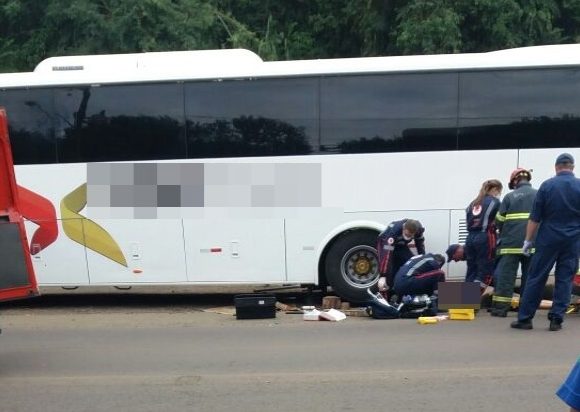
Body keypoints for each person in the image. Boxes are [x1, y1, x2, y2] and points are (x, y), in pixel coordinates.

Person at [511, 153, 580, 331]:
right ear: (572, 167)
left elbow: (535, 217)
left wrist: (527, 241)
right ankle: (556, 320)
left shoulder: (547, 186)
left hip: (548, 238)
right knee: (565, 279)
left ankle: (525, 319)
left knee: (536, 277)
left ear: (556, 167)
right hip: (573, 240)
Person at [490, 168, 537, 317]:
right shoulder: (538, 194)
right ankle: (526, 311)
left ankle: (500, 309)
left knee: (506, 278)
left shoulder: (510, 197)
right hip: (532, 244)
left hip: (510, 245)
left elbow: (499, 220)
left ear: (515, 181)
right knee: (529, 278)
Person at [465, 179, 503, 290]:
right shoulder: (495, 202)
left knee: (471, 269)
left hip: (470, 237)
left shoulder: (472, 203)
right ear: (495, 189)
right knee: (485, 270)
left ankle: (463, 298)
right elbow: (500, 220)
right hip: (485, 236)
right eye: (499, 191)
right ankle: (473, 297)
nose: (499, 194)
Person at [377, 219, 425, 294]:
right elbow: (387, 254)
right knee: (389, 268)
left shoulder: (419, 229)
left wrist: (423, 261)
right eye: (407, 234)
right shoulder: (394, 231)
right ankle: (387, 292)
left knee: (410, 263)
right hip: (385, 243)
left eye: (411, 235)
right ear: (404, 228)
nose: (409, 237)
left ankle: (401, 290)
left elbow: (420, 246)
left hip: (400, 245)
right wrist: (383, 275)